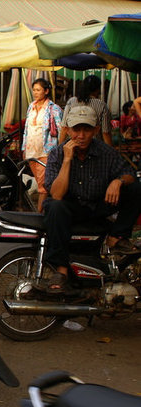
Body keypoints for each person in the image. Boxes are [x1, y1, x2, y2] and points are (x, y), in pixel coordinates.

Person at [42, 105, 140, 294]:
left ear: (95, 130)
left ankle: (117, 237)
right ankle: (61, 271)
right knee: (55, 205)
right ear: (68, 130)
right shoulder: (58, 153)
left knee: (136, 188)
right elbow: (57, 194)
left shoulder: (106, 152)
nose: (81, 135)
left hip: (97, 205)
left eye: (86, 130)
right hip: (70, 208)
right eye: (76, 130)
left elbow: (130, 174)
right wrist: (67, 160)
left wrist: (118, 181)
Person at [22, 78, 63, 212]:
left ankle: (39, 214)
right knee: (42, 183)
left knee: (43, 185)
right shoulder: (31, 106)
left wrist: (59, 150)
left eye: (38, 90)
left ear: (46, 91)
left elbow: (62, 129)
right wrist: (23, 148)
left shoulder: (53, 108)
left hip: (46, 151)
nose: (35, 92)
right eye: (34, 90)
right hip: (31, 151)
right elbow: (26, 130)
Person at [59, 75, 112, 146]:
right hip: (94, 146)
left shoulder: (72, 101)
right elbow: (106, 132)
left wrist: (60, 147)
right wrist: (110, 151)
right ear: (98, 89)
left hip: (73, 144)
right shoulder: (101, 105)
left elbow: (64, 128)